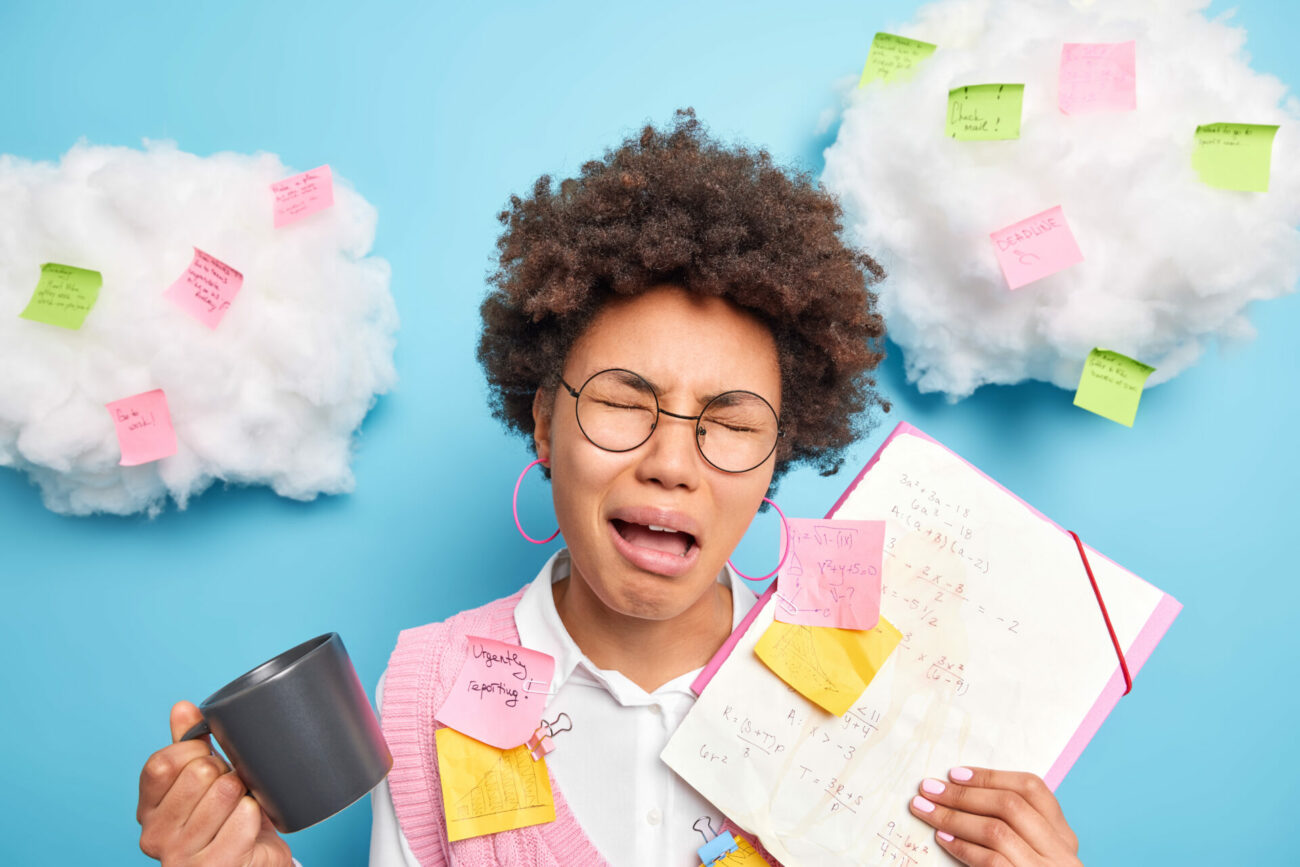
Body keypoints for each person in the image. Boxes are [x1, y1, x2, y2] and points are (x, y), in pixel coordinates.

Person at [135, 110, 1083, 867]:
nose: (673, 460)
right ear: (544, 422)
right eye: (626, 403)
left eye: (732, 422)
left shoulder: (875, 690)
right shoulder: (426, 682)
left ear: (775, 461)